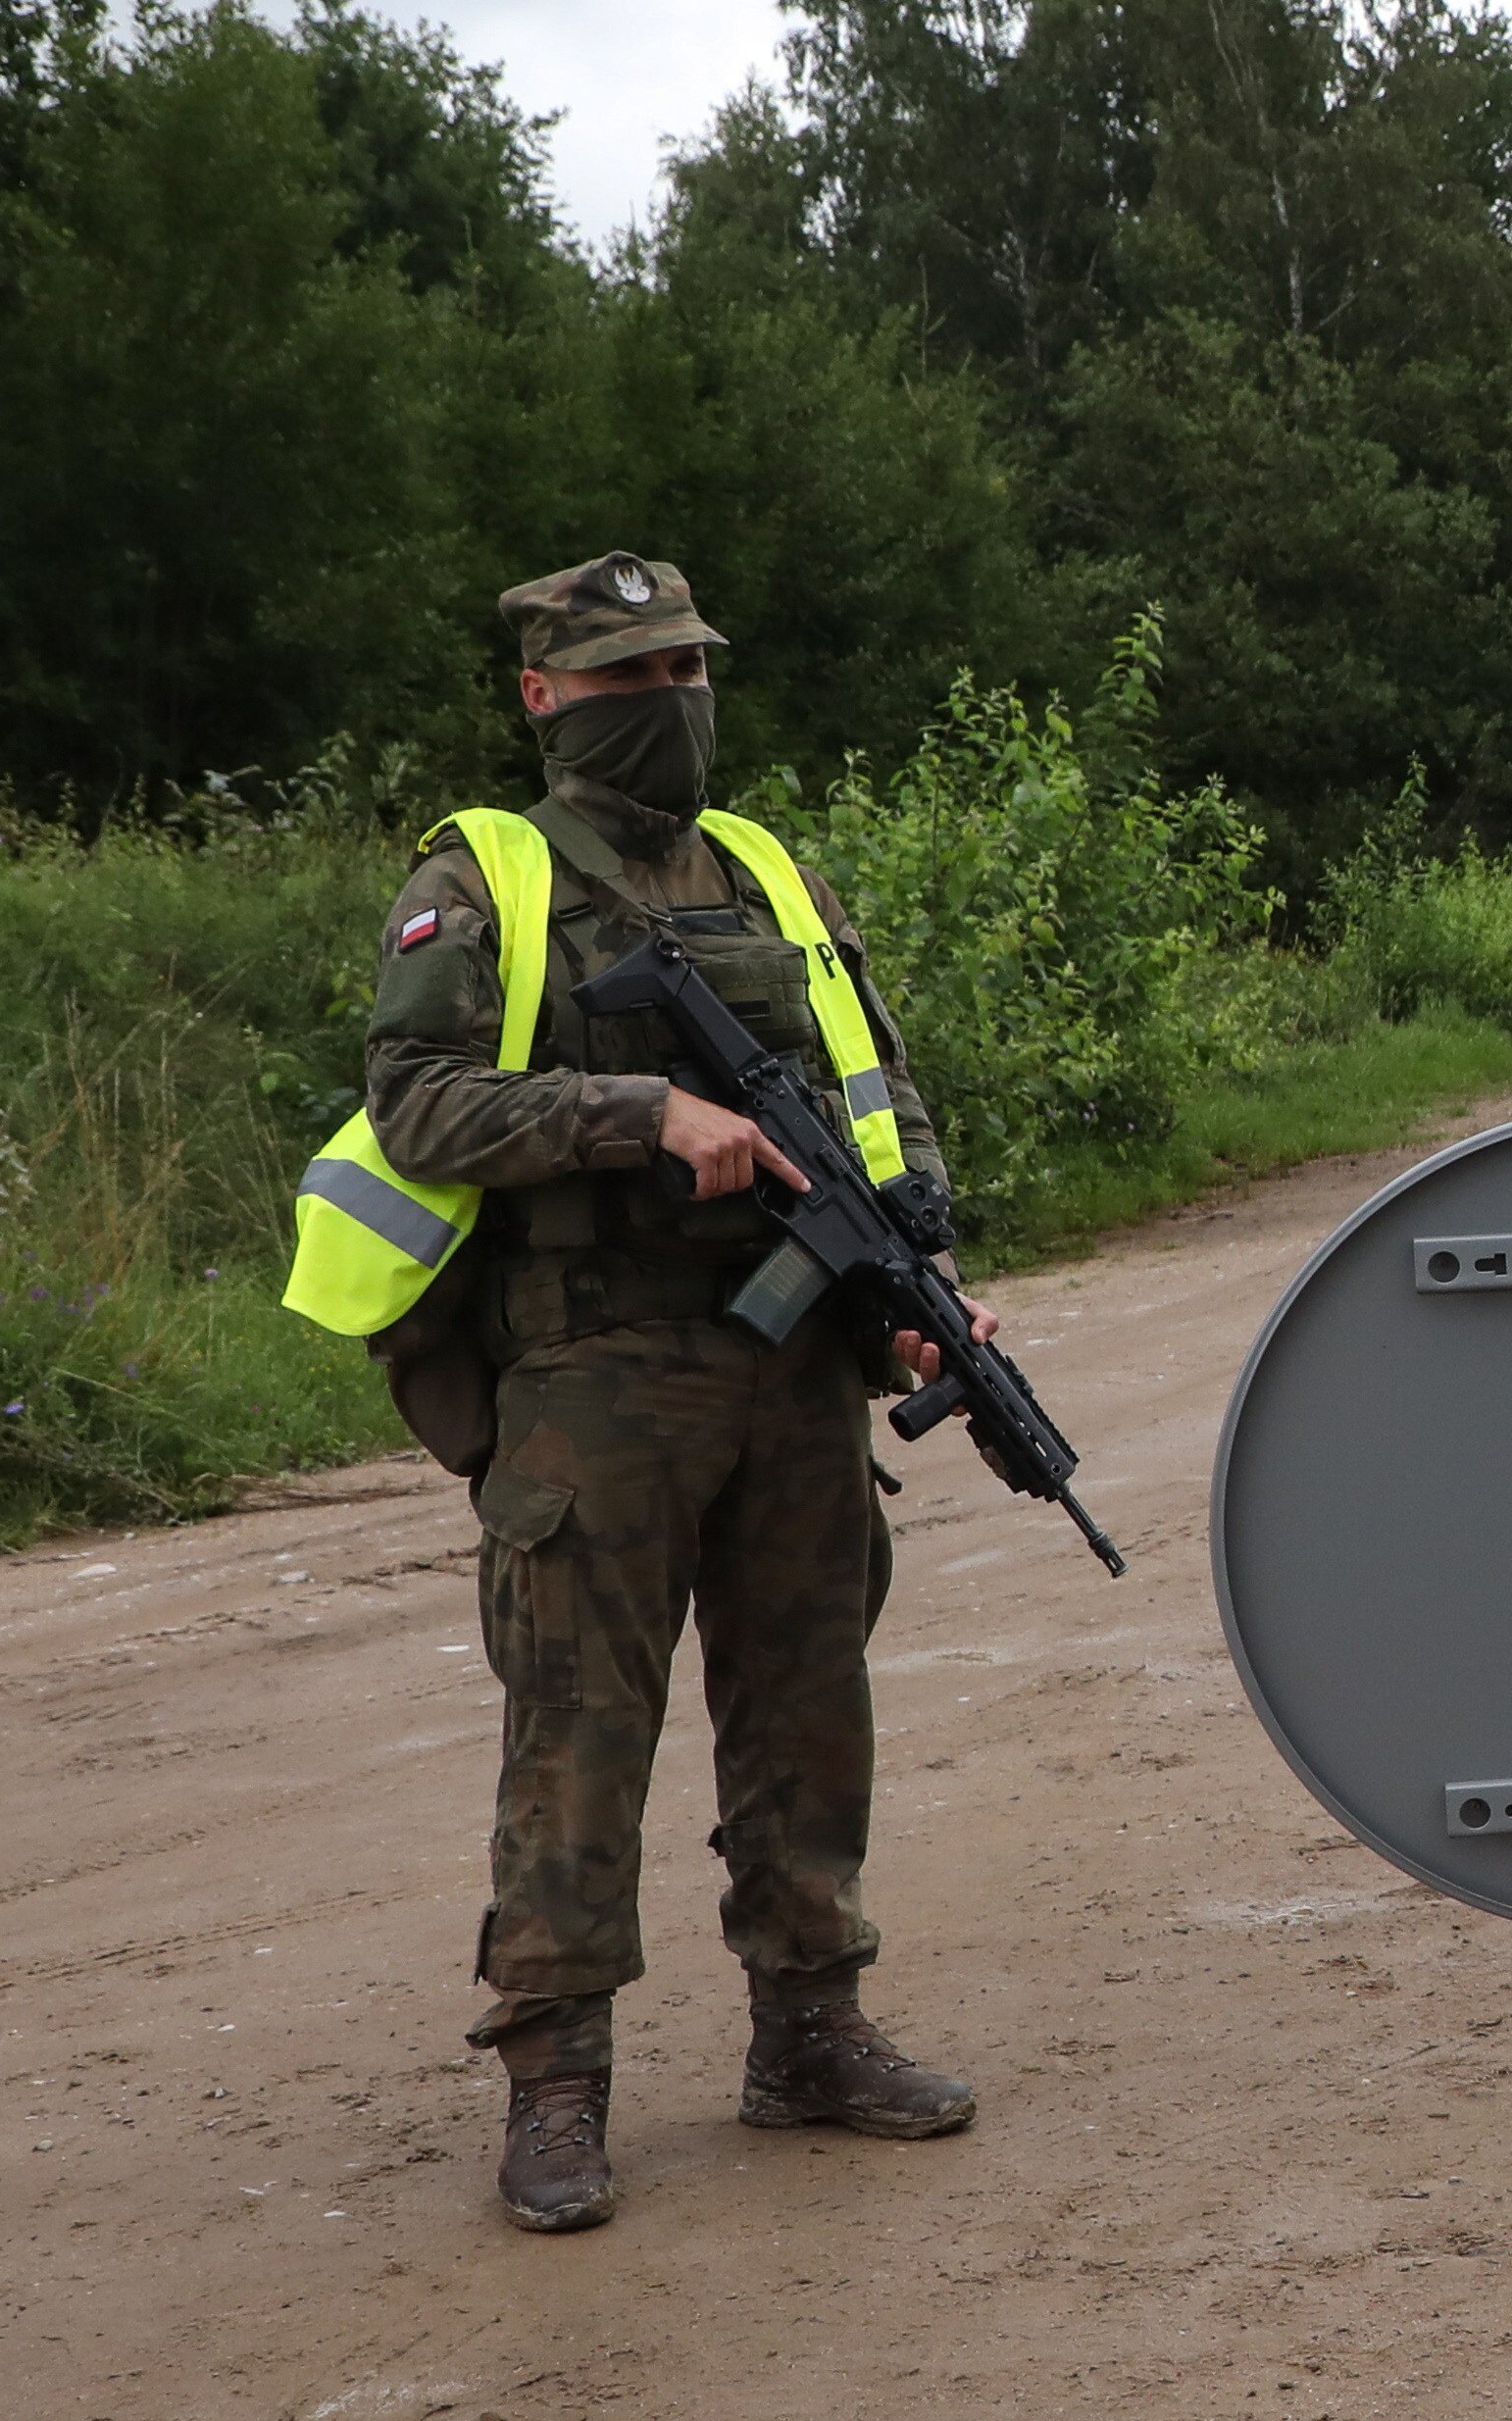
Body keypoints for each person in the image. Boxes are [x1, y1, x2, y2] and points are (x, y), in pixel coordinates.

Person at [279, 554, 991, 2234]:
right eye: (626, 673)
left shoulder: (762, 866)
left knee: (812, 1702)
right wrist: (635, 1115)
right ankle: (555, 2083)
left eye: (684, 663)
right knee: (584, 1729)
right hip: (597, 1364)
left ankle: (811, 2029)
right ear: (543, 695)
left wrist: (915, 1283)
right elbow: (419, 1104)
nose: (669, 697)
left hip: (794, 1347)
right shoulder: (491, 871)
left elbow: (869, 1079)